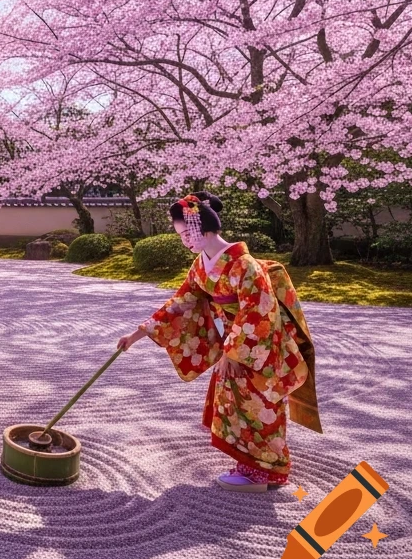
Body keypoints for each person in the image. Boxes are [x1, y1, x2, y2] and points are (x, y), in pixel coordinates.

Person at [117, 192, 322, 493]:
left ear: (207, 229)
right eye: (181, 236)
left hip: (260, 347)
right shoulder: (202, 266)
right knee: (234, 403)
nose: (185, 241)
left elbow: (259, 310)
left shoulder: (244, 265)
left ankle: (267, 472)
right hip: (236, 345)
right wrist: (139, 333)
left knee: (260, 403)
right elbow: (182, 301)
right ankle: (249, 466)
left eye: (188, 233)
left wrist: (235, 352)